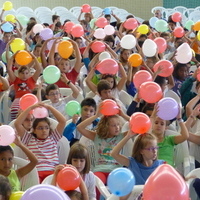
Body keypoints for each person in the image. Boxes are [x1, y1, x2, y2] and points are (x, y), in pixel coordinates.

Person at [77, 103, 130, 199]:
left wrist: (123, 115)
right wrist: (96, 115)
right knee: (96, 185)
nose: (117, 127)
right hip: (100, 170)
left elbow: (138, 128)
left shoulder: (121, 136)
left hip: (116, 170)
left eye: (118, 124)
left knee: (121, 189)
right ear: (106, 126)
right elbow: (79, 127)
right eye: (113, 125)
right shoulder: (97, 137)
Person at [14, 103, 66, 182]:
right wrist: (30, 108)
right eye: (40, 128)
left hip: (52, 172)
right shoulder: (29, 139)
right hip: (35, 172)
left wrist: (49, 107)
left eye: (46, 128)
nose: (44, 130)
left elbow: (63, 121)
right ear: (34, 130)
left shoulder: (53, 138)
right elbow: (17, 124)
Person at [7, 49, 42, 120]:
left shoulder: (32, 79)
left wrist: (33, 57)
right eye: (22, 73)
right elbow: (9, 69)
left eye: (26, 73)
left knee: (34, 114)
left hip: (30, 99)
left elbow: (39, 69)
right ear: (18, 74)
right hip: (18, 100)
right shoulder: (16, 80)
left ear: (29, 74)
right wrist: (13, 56)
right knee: (14, 111)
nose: (24, 75)